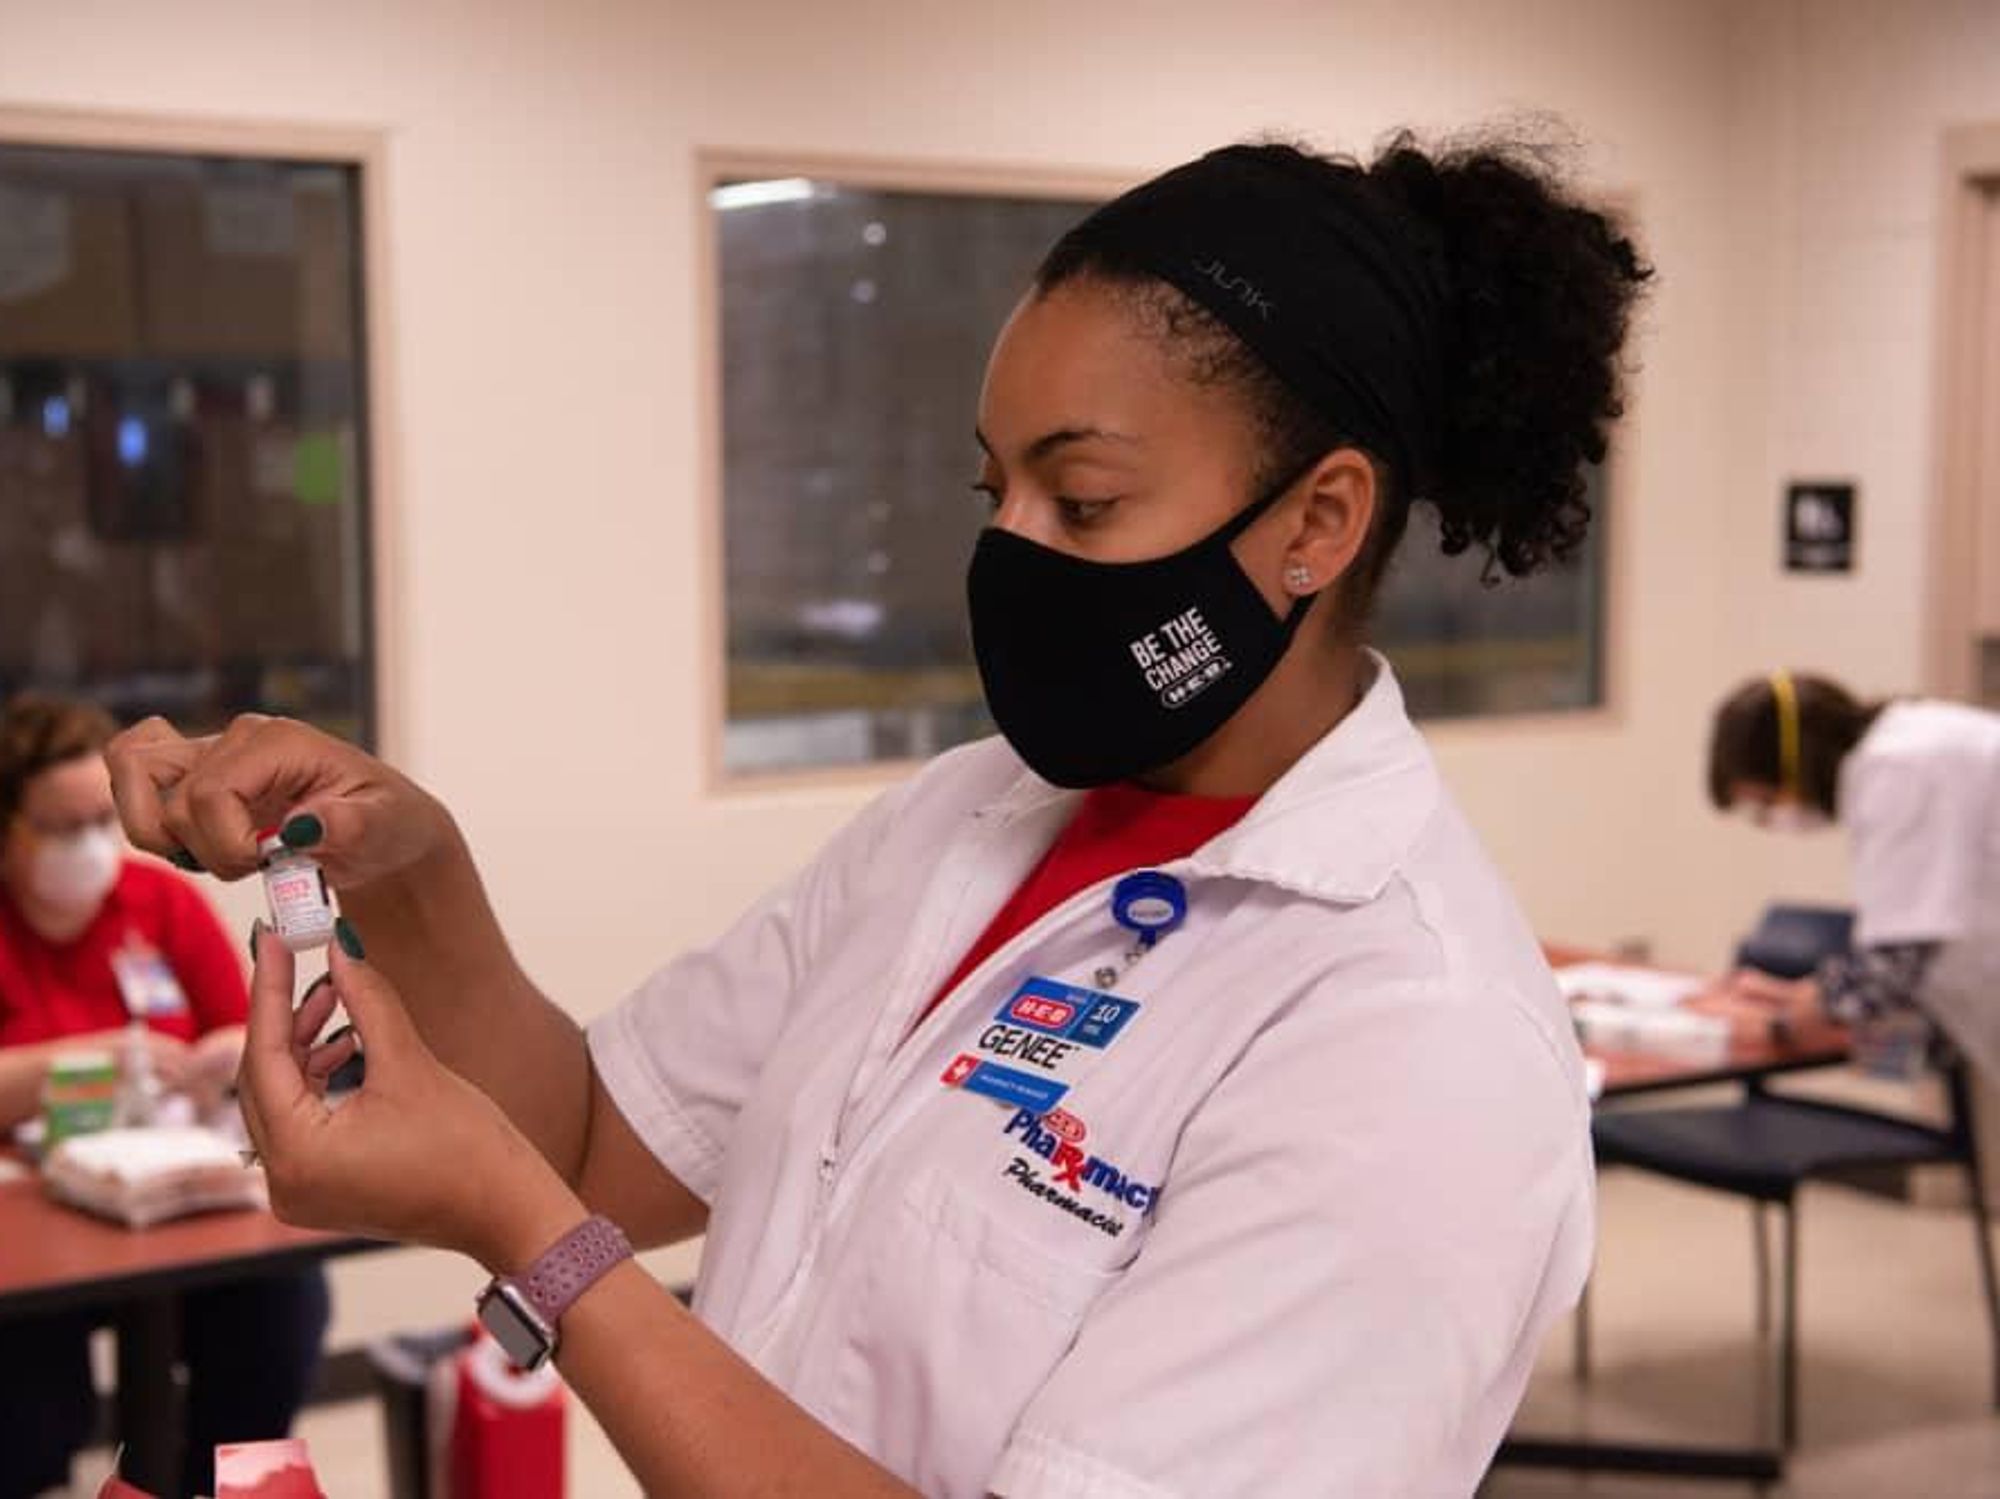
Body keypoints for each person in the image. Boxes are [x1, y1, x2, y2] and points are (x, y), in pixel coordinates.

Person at [106, 131, 1649, 1496]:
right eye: (998, 499)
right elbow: (589, 1140)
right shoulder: (971, 822)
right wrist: (419, 862)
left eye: (1087, 500)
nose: (1018, 556)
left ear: (1317, 520)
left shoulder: (1412, 1036)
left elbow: (552, 1201)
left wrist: (534, 1243)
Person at [0, 695, 330, 1499]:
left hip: (175, 1204)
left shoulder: (157, 902)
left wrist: (224, 1056)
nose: (89, 845)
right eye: (61, 825)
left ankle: (206, 1489)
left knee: (281, 1304)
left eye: (98, 822)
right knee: (29, 1404)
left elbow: (239, 1033)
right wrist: (83, 1059)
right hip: (34, 1231)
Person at [1696, 670, 2000, 1082]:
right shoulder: (1915, 746)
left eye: (1767, 803)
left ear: (1792, 765)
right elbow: (1913, 978)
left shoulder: (1901, 769)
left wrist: (1786, 1023)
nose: (1771, 821)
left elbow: (1895, 964)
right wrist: (1806, 998)